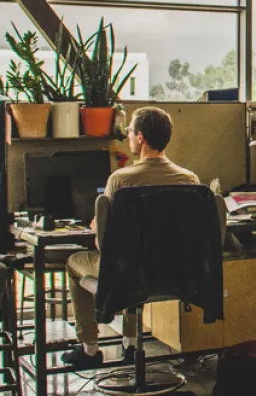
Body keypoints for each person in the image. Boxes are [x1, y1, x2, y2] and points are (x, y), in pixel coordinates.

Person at [62, 107, 199, 368]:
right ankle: (131, 344)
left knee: (74, 262)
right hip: (173, 272)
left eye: (130, 132)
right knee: (139, 259)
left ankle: (89, 348)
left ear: (141, 138)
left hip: (129, 272)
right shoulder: (190, 180)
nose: (128, 137)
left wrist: (96, 226)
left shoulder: (121, 180)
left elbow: (106, 245)